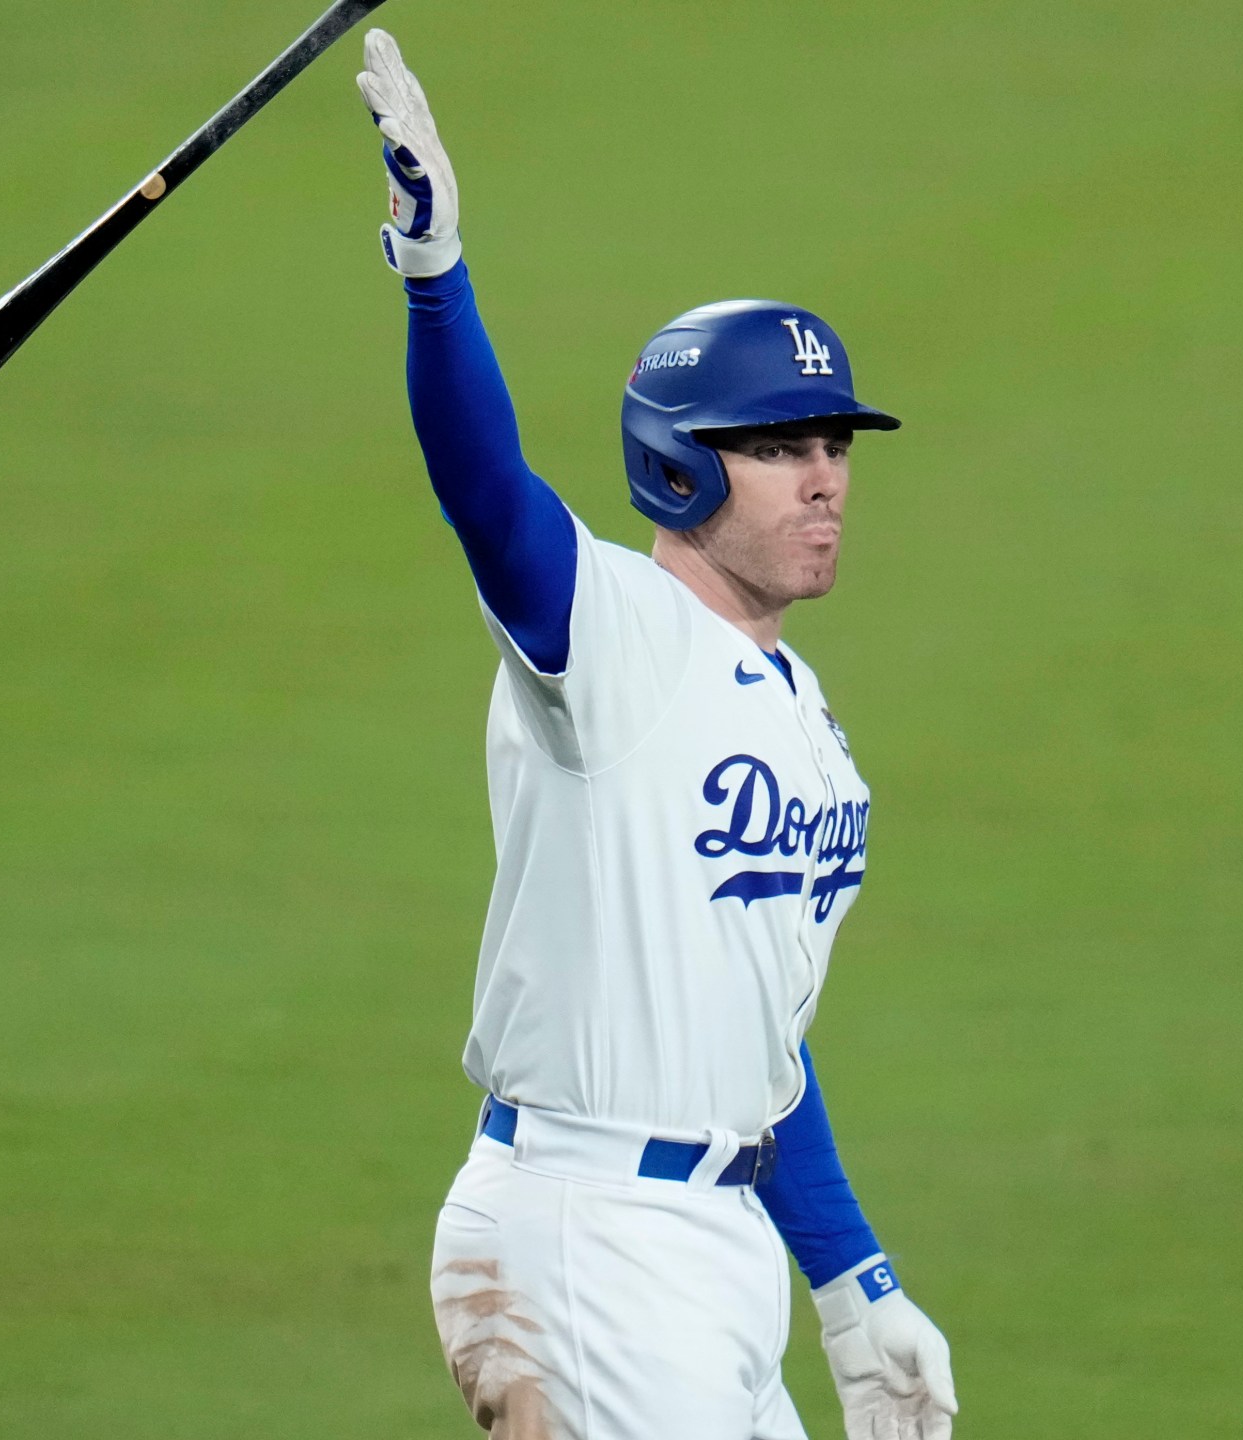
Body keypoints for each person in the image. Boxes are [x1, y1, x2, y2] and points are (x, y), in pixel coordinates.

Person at [357, 30, 958, 1440]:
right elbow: (487, 497)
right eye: (782, 447)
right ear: (681, 462)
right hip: (586, 1237)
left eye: (836, 447)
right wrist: (436, 281)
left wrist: (854, 1285)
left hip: (719, 1246)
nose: (824, 482)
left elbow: (761, 1040)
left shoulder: (802, 716)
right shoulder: (609, 640)